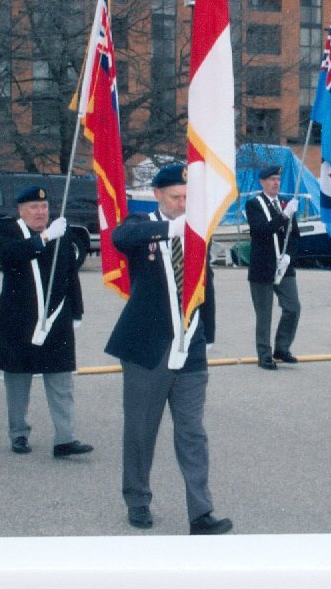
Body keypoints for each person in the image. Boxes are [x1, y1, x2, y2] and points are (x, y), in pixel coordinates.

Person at [104, 164, 232, 535]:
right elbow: (121, 237)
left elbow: (203, 284)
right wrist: (167, 229)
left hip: (190, 344)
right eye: (175, 197)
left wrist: (204, 333)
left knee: (192, 432)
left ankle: (201, 512)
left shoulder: (197, 231)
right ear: (157, 194)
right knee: (142, 429)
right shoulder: (142, 224)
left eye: (188, 198)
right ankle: (138, 499)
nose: (182, 204)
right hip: (150, 346)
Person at [0, 186, 92, 458]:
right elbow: (11, 255)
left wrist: (77, 312)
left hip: (56, 319)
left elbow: (69, 276)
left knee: (61, 380)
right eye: (34, 208)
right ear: (21, 209)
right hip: (19, 320)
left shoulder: (59, 233)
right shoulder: (8, 230)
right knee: (17, 381)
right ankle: (18, 433)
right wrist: (44, 238)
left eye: (44, 207)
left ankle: (65, 439)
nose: (41, 212)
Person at [245, 165, 302, 370]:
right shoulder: (254, 204)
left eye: (278, 179)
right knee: (264, 314)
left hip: (284, 266)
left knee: (293, 307)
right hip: (263, 267)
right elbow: (262, 230)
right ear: (262, 182)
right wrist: (284, 215)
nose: (276, 183)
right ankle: (264, 355)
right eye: (271, 179)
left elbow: (294, 236)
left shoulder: (285, 204)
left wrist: (288, 256)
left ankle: (282, 348)